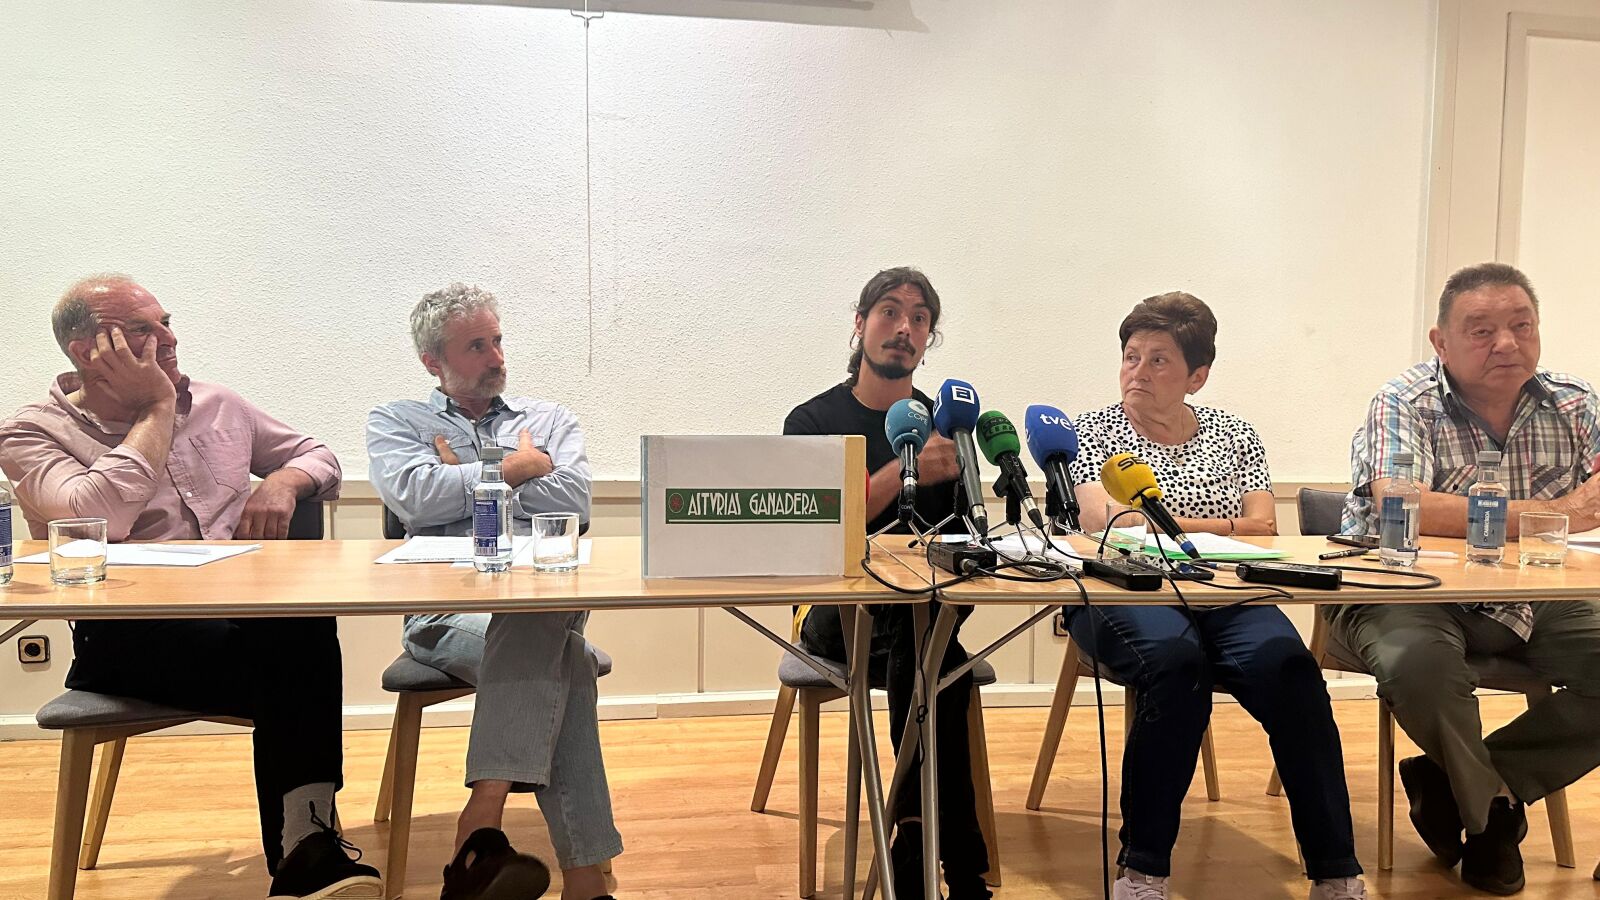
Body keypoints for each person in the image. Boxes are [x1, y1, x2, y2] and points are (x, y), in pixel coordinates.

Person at [0, 274, 380, 900]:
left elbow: (320, 456)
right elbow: (98, 515)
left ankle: (306, 852)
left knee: (298, 627)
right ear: (86, 351)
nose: (169, 338)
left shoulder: (218, 404)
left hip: (243, 622)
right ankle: (307, 849)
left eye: (166, 321)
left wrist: (282, 481)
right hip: (125, 638)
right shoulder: (31, 432)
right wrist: (154, 408)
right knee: (299, 659)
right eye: (142, 330)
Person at [1063, 292, 1365, 900]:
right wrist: (1221, 527)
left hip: (1228, 592)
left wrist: (1171, 526)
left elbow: (1266, 528)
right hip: (1129, 592)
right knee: (1176, 665)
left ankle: (1336, 872)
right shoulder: (1090, 433)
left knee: (1293, 673)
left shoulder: (1234, 434)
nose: (1137, 372)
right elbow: (1108, 524)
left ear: (1196, 376)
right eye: (1131, 357)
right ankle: (1142, 871)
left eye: (1158, 361)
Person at [1330, 261, 1600, 895]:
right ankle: (1490, 823)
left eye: (1521, 326)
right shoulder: (1403, 401)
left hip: (1533, 596)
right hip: (1407, 594)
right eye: (1481, 330)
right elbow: (1406, 505)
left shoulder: (1576, 403)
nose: (1506, 343)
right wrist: (1557, 512)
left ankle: (1471, 786)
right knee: (1421, 667)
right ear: (1441, 342)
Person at [367, 283, 620, 900]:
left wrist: (463, 476)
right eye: (476, 346)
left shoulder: (549, 418)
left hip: (538, 599)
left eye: (498, 340)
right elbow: (414, 499)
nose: (496, 356)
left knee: (539, 614)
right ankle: (586, 882)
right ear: (433, 361)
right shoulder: (397, 420)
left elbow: (575, 503)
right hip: (445, 612)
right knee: (568, 660)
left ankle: (480, 826)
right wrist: (517, 469)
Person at [782, 267, 991, 899]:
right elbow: (811, 537)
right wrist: (902, 470)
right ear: (860, 324)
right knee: (936, 657)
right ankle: (962, 865)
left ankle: (913, 831)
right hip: (831, 611)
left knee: (919, 627)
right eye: (890, 312)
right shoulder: (812, 420)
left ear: (928, 339)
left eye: (920, 318)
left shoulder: (947, 427)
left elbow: (969, 543)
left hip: (926, 609)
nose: (904, 327)